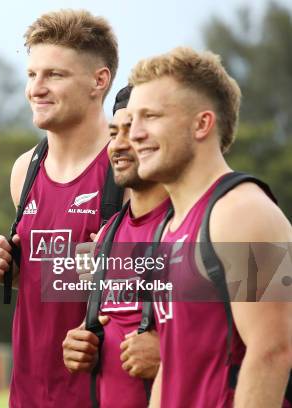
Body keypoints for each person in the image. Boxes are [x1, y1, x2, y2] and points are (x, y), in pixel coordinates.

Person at [126, 46, 292, 407]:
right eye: (131, 120)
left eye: (151, 116)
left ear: (202, 123)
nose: (134, 134)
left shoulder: (243, 212)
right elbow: (172, 368)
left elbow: (273, 352)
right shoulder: (167, 229)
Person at [0, 9, 120, 407]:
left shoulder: (131, 168)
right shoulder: (25, 168)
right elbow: (62, 282)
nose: (36, 89)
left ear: (99, 81)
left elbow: (224, 277)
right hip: (27, 396)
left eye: (54, 75)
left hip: (104, 396)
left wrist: (119, 265)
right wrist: (12, 270)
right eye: (31, 75)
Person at [62, 86, 166, 408]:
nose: (118, 145)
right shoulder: (106, 234)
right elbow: (113, 320)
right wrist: (80, 343)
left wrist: (169, 356)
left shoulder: (214, 220)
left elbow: (274, 340)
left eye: (133, 132)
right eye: (113, 132)